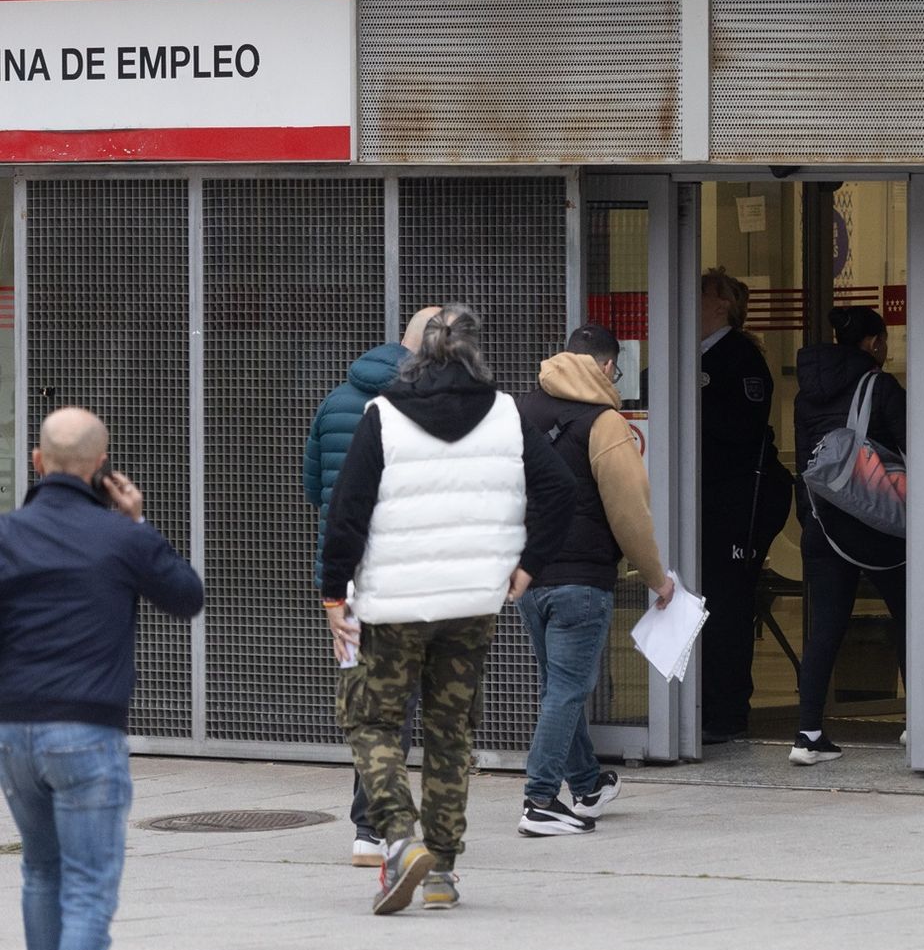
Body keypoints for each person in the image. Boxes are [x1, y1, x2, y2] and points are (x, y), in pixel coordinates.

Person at [321, 305, 574, 913]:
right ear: (476, 352)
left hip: (391, 606)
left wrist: (334, 594)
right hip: (473, 602)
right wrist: (527, 565)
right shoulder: (509, 415)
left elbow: (347, 514)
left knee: (372, 721)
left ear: (416, 356)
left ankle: (399, 840)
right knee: (450, 731)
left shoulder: (381, 416)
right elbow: (561, 491)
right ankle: (442, 871)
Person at [0, 408, 204, 950]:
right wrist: (139, 522)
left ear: (36, 461)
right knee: (88, 892)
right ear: (102, 465)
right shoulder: (121, 536)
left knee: (40, 873)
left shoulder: (7, 534)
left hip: (15, 733)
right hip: (87, 734)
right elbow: (188, 597)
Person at [516, 324, 675, 836]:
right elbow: (630, 511)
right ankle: (539, 800)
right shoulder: (605, 423)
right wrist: (657, 577)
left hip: (529, 577)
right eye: (619, 370)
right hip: (582, 579)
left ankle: (587, 785)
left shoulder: (520, 413)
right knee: (567, 688)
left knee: (559, 686)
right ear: (607, 367)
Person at [303, 305, 439, 868]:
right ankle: (385, 827)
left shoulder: (336, 400)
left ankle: (368, 830)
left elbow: (315, 488)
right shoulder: (426, 406)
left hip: (349, 582)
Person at [791, 306, 907, 766]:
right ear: (875, 343)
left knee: (825, 625)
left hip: (823, 524)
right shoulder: (882, 387)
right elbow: (910, 449)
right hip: (879, 525)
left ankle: (807, 733)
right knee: (908, 615)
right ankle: (918, 724)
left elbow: (805, 465)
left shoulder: (805, 396)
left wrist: (810, 518)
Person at [697, 268, 793, 743]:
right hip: (703, 500)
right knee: (698, 603)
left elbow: (740, 428)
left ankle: (727, 711)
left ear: (720, 306)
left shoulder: (740, 357)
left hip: (736, 501)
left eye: (699, 294)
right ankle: (697, 703)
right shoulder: (690, 353)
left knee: (727, 605)